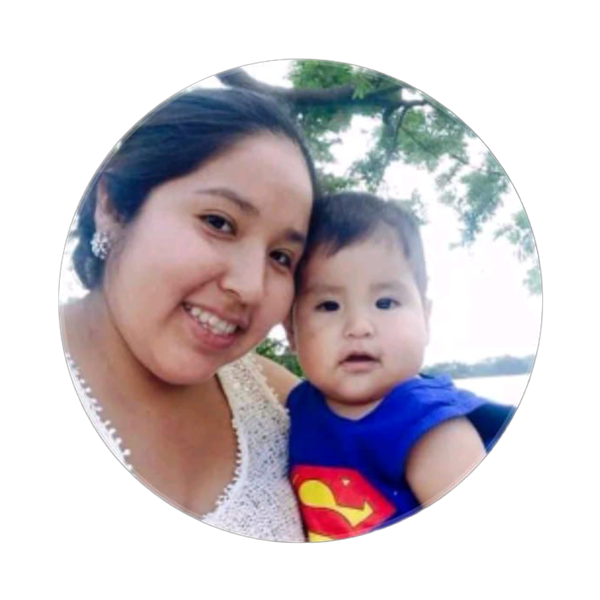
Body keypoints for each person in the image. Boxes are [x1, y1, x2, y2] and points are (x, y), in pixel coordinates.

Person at [60, 87, 319, 542]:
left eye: (281, 257)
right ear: (113, 206)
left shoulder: (283, 404)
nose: (250, 286)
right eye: (219, 223)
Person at [285, 192, 516, 541]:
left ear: (425, 317)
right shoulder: (297, 406)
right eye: (329, 306)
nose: (359, 326)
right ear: (291, 332)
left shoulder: (431, 428)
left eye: (385, 302)